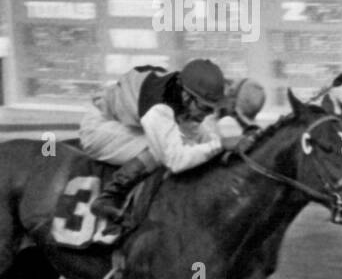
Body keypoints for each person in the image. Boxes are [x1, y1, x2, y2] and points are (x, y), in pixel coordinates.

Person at [82, 59, 235, 228]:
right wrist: (220, 145)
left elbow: (200, 137)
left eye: (212, 110)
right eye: (205, 108)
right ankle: (108, 198)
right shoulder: (159, 108)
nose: (207, 115)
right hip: (98, 127)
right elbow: (176, 161)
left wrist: (227, 147)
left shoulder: (182, 94)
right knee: (160, 151)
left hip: (126, 122)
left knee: (187, 142)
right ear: (186, 96)